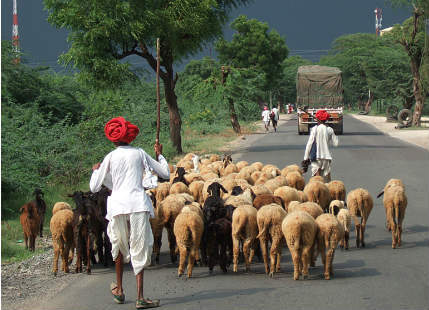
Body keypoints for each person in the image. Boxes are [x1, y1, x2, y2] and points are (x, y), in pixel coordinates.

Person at [90, 116, 169, 309]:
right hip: (138, 205)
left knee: (118, 245)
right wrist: (159, 155)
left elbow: (94, 187)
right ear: (130, 137)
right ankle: (140, 298)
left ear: (113, 139)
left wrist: (95, 170)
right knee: (139, 247)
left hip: (117, 206)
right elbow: (165, 174)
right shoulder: (140, 153)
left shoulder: (110, 157)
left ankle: (120, 290)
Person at [303, 110, 338, 182]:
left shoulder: (314, 129)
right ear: (326, 119)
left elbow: (309, 144)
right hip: (326, 158)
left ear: (317, 119)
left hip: (316, 158)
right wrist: (332, 132)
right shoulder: (329, 129)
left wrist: (305, 158)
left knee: (316, 182)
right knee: (326, 182)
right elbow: (336, 143)